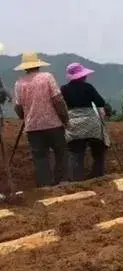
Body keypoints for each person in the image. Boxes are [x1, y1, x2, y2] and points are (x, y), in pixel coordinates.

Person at [13, 52, 69, 187]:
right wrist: (65, 118)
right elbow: (58, 100)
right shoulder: (47, 77)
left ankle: (45, 186)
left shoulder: (19, 83)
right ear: (38, 65)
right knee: (61, 152)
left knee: (40, 157)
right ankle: (61, 182)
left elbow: (18, 107)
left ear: (25, 67)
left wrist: (24, 116)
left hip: (33, 128)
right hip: (53, 124)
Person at [60, 62, 107, 181]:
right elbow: (100, 102)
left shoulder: (63, 89)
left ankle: (76, 179)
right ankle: (98, 175)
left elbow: (59, 105)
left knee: (76, 152)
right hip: (91, 123)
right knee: (98, 150)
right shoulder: (88, 87)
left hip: (73, 124)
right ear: (82, 76)